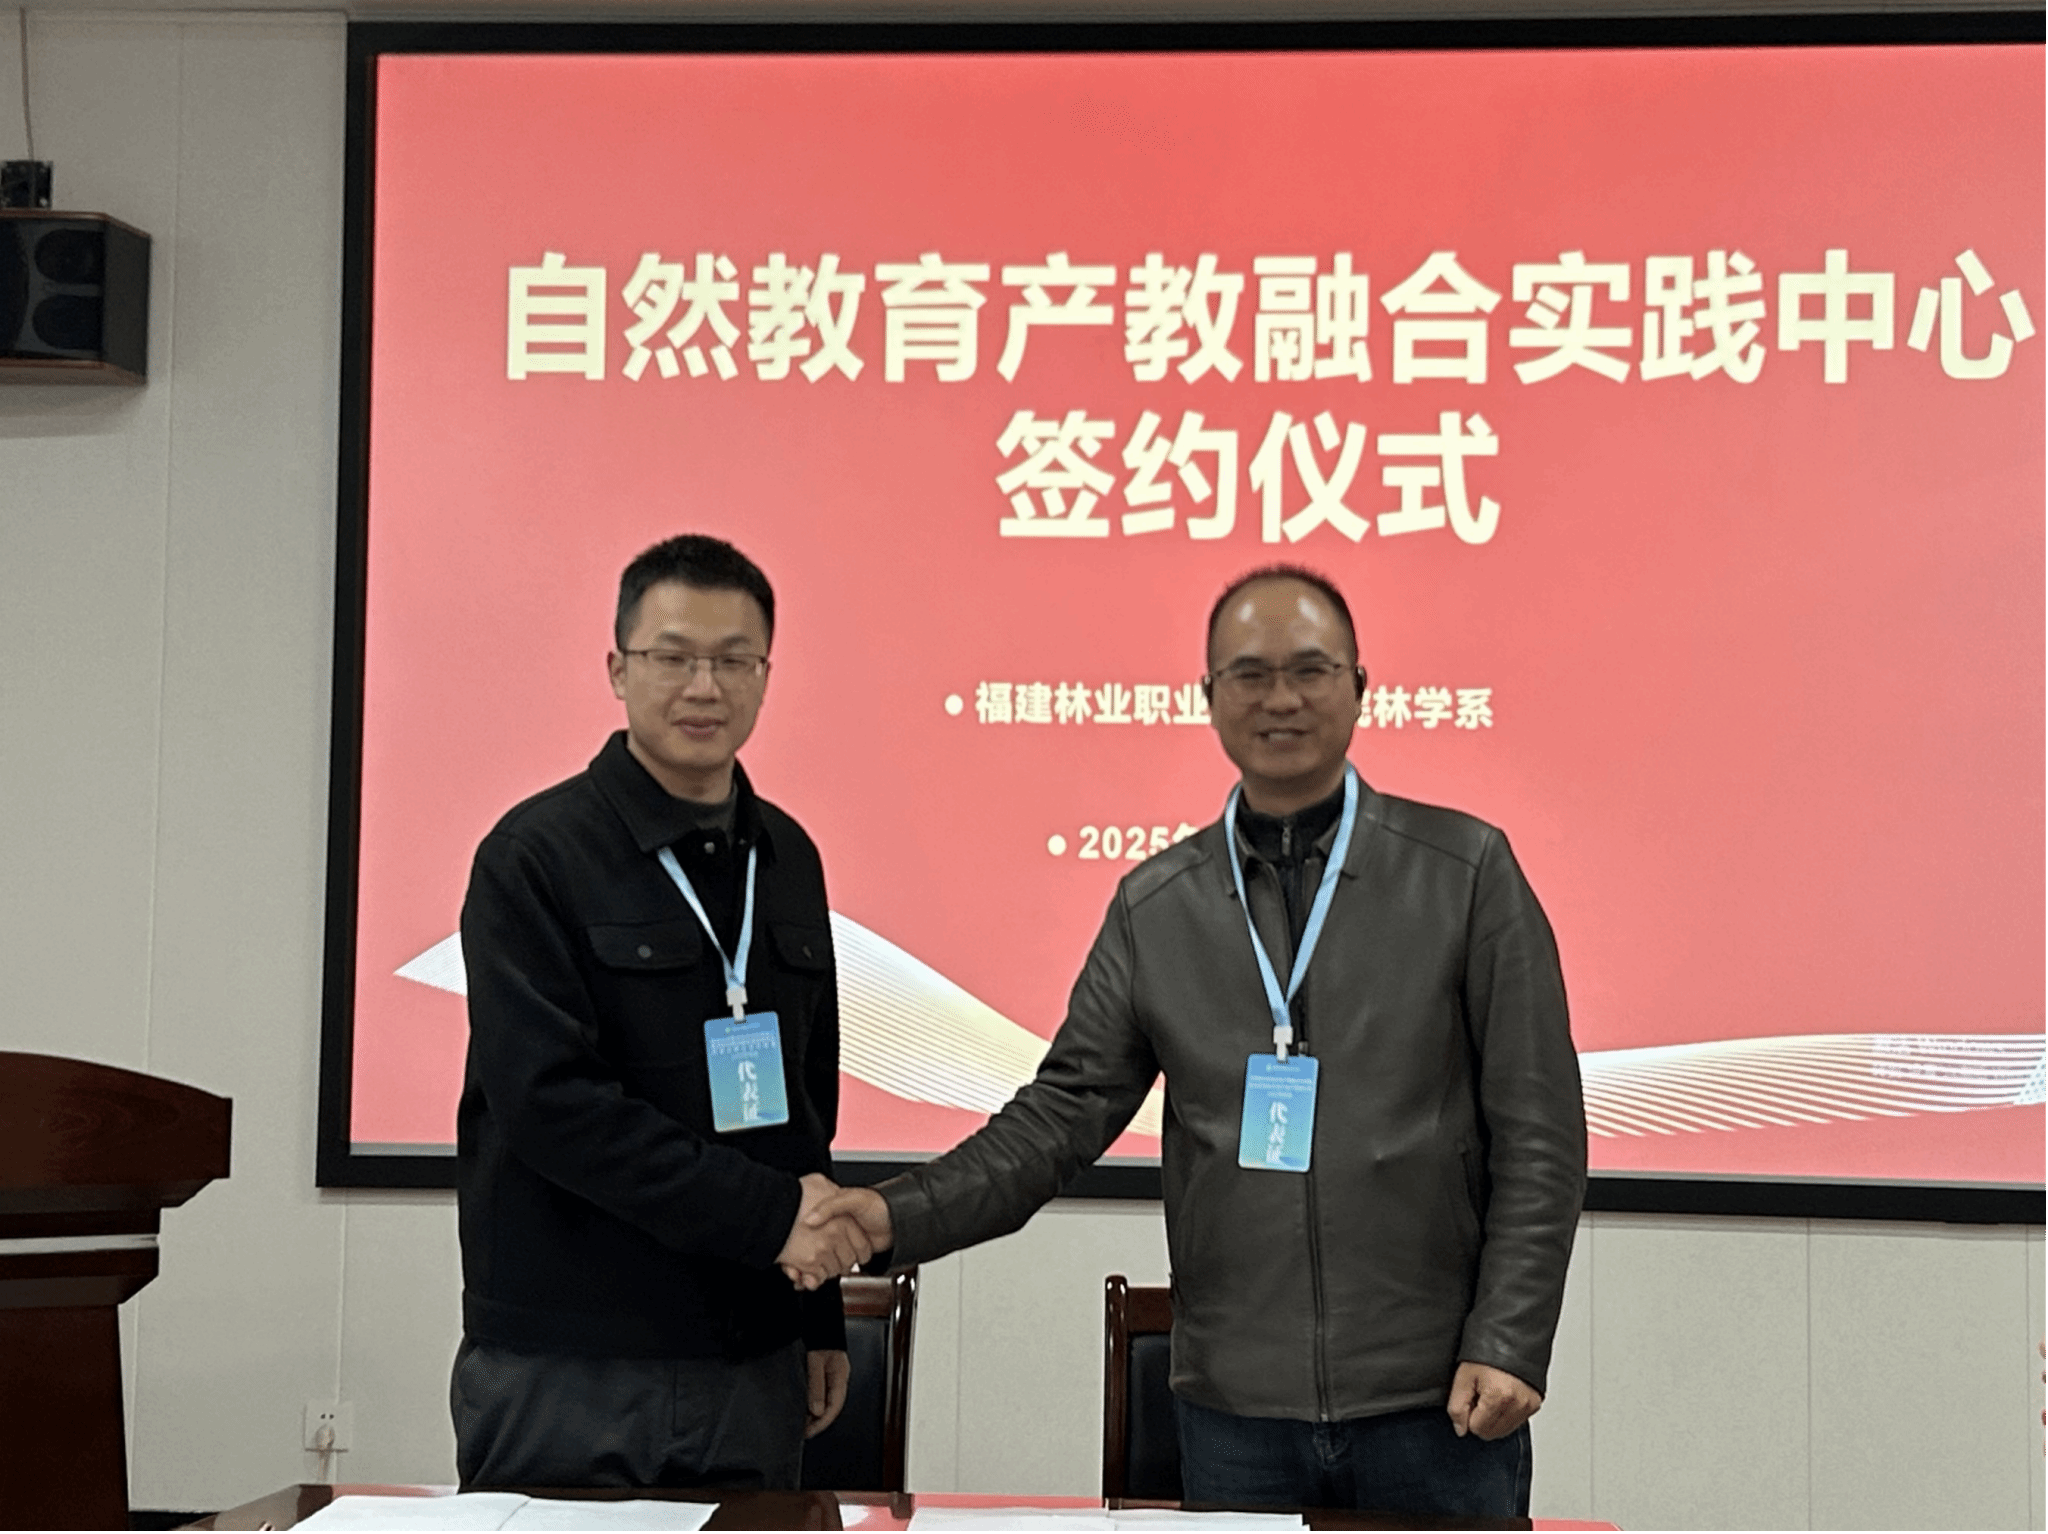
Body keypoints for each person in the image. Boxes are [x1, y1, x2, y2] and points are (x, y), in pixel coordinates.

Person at [809, 566, 1586, 1517]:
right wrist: (888, 1217)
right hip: (1234, 1415)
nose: (1281, 698)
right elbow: (1058, 1118)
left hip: (1438, 1406)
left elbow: (1541, 1134)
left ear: (1360, 687)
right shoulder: (1157, 906)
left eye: (1310, 670)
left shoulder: (1465, 873)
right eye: (1249, 674)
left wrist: (1509, 1339)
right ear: (1207, 697)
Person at [452, 534, 873, 1490]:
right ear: (617, 668)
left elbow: (805, 1104)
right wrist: (773, 1218)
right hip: (572, 1360)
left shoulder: (789, 857)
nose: (704, 687)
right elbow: (551, 1106)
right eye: (673, 657)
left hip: (751, 1356)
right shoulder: (534, 856)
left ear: (766, 676)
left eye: (734, 660)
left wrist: (813, 1315)